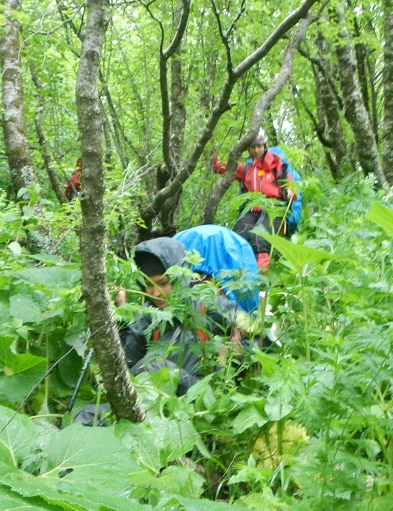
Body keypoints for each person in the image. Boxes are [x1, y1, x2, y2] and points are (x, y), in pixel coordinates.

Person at [71, 237, 242, 427]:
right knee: (84, 417)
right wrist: (121, 313)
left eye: (163, 283)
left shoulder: (207, 303)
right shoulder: (149, 314)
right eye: (149, 285)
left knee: (156, 365)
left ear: (180, 278)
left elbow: (256, 337)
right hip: (149, 400)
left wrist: (225, 359)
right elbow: (127, 363)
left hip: (196, 402)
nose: (156, 293)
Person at [213, 128, 302, 268]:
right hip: (253, 210)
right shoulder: (248, 169)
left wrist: (281, 193)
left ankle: (260, 279)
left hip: (275, 212)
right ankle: (237, 272)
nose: (256, 150)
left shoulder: (278, 167)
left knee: (260, 239)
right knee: (239, 235)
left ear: (264, 146)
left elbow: (293, 193)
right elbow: (222, 168)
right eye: (253, 147)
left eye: (259, 146)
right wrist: (214, 152)